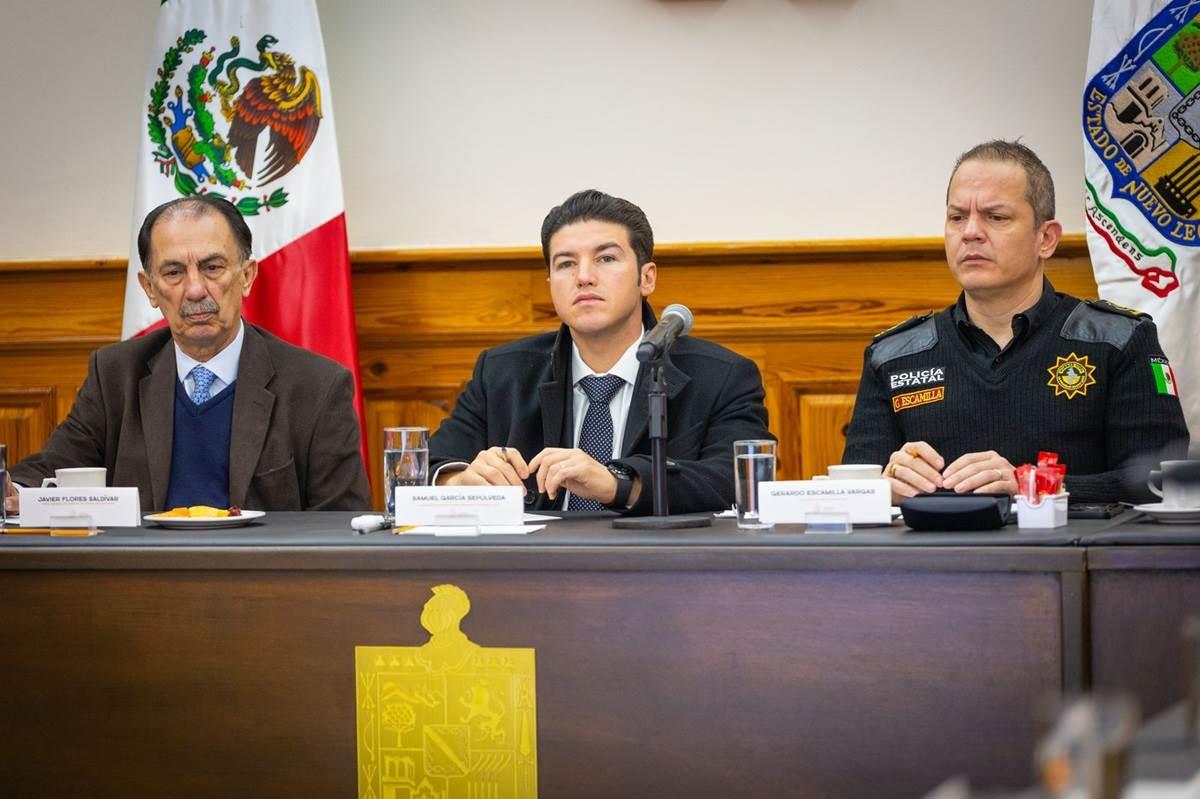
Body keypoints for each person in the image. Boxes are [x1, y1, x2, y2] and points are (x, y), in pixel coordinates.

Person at [842, 140, 1190, 503]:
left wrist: (1036, 486)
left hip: (1071, 557)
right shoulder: (894, 355)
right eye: (957, 217)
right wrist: (883, 487)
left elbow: (1162, 481)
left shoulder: (1118, 340)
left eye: (996, 217)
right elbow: (853, 491)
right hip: (934, 558)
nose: (971, 232)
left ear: (1046, 238)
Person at [3, 195, 370, 513]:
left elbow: (339, 524)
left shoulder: (317, 387)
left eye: (213, 268)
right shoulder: (115, 375)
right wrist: (11, 491)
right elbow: (50, 470)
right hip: (142, 586)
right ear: (149, 288)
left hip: (264, 590)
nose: (195, 290)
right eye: (174, 272)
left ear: (246, 276)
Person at [428, 189, 771, 515]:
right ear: (550, 283)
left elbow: (740, 481)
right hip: (531, 571)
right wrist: (461, 481)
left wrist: (617, 485)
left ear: (646, 278)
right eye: (565, 264)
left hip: (662, 571)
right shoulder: (503, 373)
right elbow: (431, 467)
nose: (584, 277)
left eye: (606, 258)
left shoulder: (721, 377)